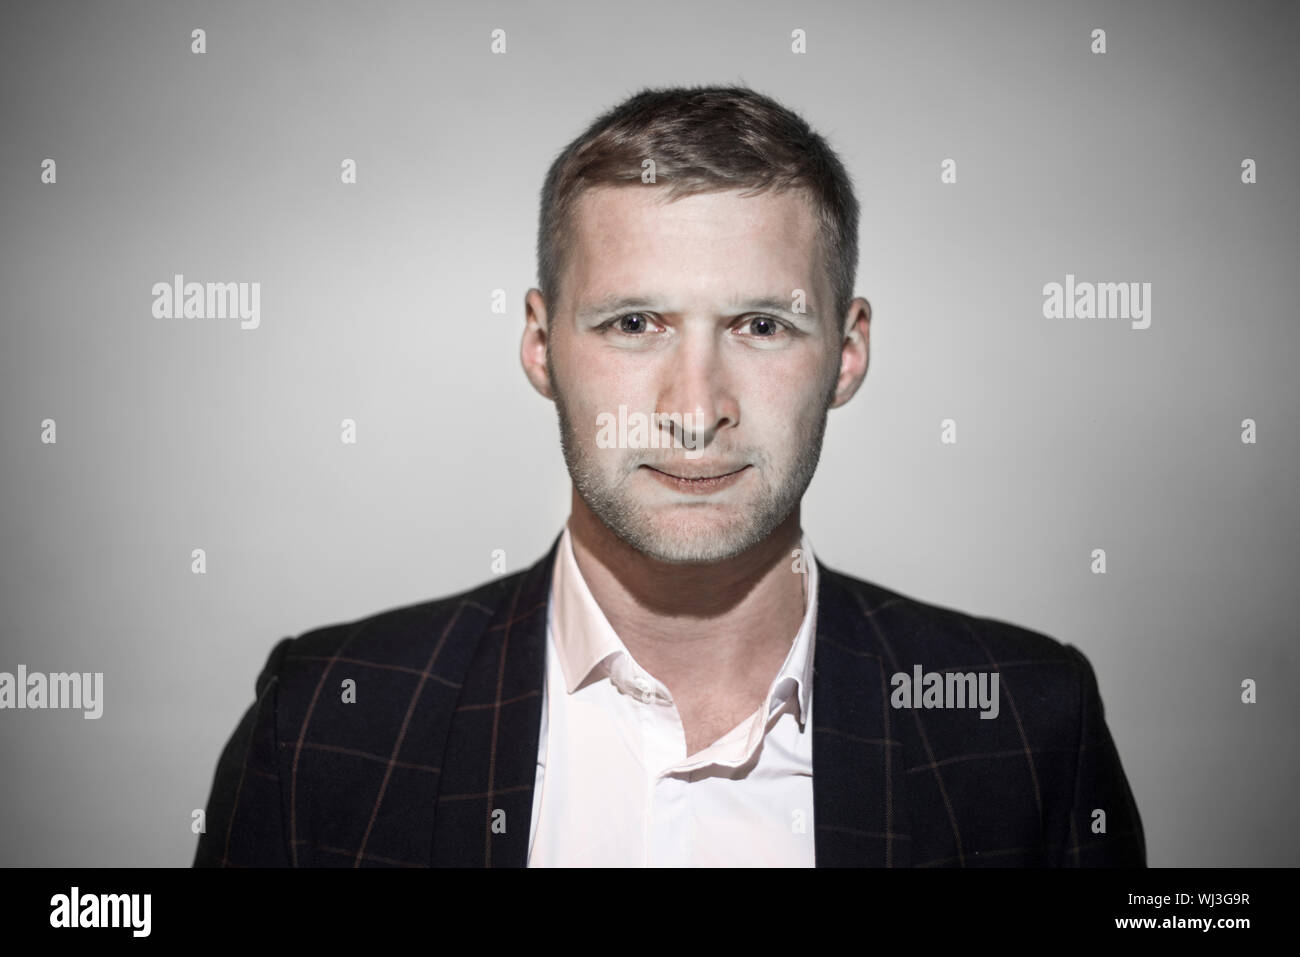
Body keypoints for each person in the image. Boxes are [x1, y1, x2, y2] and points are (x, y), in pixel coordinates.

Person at [194, 84, 1145, 868]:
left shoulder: (1024, 725)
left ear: (848, 354)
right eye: (633, 323)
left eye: (762, 326)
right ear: (539, 343)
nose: (695, 407)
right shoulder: (324, 721)